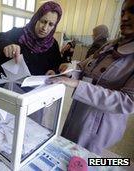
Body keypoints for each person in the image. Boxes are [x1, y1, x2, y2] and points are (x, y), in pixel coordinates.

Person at [46, 0, 134, 155]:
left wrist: (78, 85)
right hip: (79, 113)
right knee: (67, 154)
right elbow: (83, 67)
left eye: (132, 11)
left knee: (85, 160)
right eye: (122, 12)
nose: (125, 17)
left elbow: (128, 102)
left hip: (99, 126)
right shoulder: (109, 46)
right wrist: (66, 73)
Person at [0, 1, 63, 77]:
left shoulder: (53, 45)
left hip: (39, 88)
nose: (45, 28)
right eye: (43, 21)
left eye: (51, 24)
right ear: (36, 19)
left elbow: (57, 65)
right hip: (9, 86)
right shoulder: (18, 33)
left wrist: (54, 71)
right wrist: (6, 45)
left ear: (54, 27)